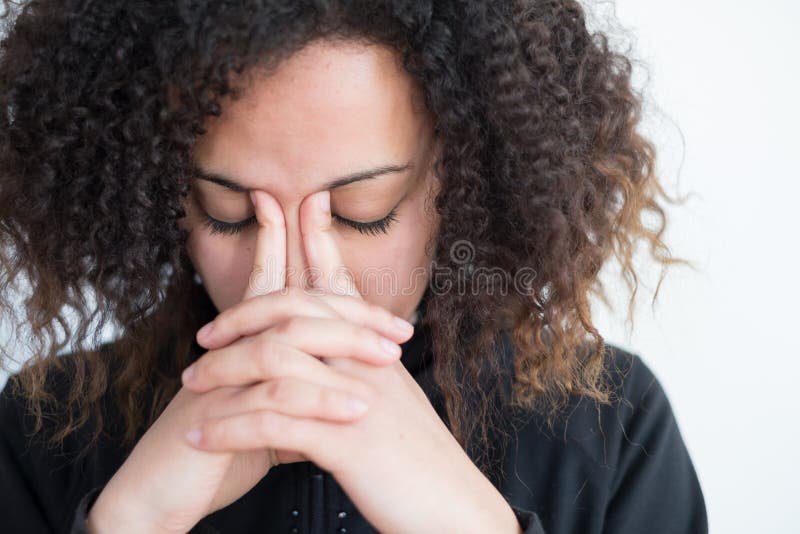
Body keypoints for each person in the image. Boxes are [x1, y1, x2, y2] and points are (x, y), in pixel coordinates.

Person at [0, 1, 708, 533]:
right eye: (230, 213)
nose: (295, 282)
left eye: (361, 211)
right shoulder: (44, 431)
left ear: (460, 182)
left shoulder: (612, 430)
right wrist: (127, 522)